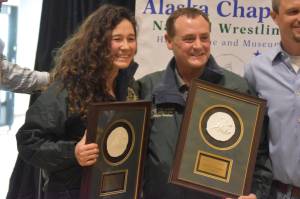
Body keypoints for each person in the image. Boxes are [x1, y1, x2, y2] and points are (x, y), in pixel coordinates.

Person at [137, 8, 272, 199]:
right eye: (189, 39)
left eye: (204, 37)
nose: (199, 46)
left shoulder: (237, 89)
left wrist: (255, 194)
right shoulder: (148, 88)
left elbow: (259, 155)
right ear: (169, 41)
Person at [15, 4, 138, 199]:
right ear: (98, 42)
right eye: (117, 39)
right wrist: (73, 153)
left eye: (131, 39)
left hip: (111, 190)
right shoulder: (68, 88)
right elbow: (28, 140)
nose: (126, 46)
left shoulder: (130, 87)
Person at [244, 0, 300, 198]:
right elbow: (249, 139)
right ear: (274, 17)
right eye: (293, 11)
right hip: (277, 193)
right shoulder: (256, 71)